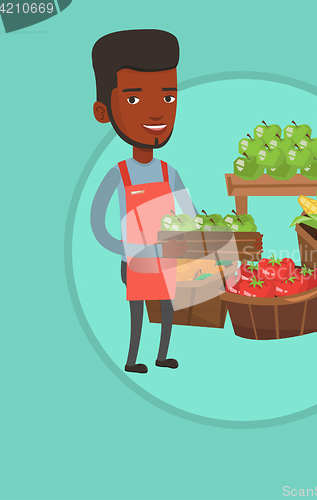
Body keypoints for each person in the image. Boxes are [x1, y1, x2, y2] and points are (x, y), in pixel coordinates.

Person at [90, 29, 197, 374]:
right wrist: (124, 249)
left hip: (168, 257)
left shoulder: (170, 173)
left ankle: (162, 355)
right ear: (104, 112)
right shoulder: (118, 175)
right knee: (137, 310)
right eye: (134, 100)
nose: (156, 113)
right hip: (135, 259)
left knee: (167, 308)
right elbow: (97, 223)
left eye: (168, 98)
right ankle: (133, 358)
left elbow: (190, 215)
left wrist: (193, 240)